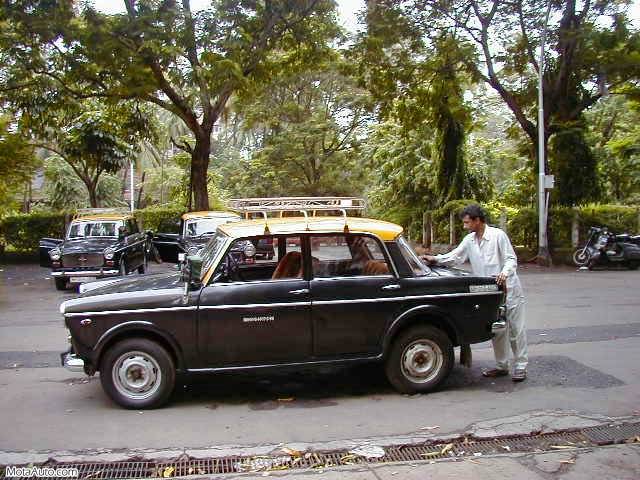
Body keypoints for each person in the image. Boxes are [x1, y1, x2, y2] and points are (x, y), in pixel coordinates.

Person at [422, 204, 528, 382]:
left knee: (516, 329)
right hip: (489, 292)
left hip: (509, 289)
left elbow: (511, 258)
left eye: (467, 222)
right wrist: (435, 259)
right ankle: (502, 366)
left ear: (477, 220)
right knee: (498, 329)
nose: (465, 226)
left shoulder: (497, 236)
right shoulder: (470, 240)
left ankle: (521, 366)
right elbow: (455, 256)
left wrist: (505, 272)